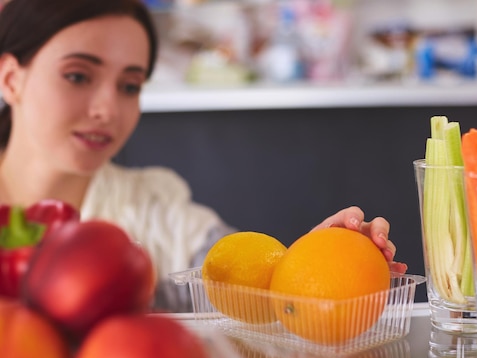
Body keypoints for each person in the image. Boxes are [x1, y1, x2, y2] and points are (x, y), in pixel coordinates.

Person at [0, 0, 407, 312]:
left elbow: (234, 283)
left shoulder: (157, 207)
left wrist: (303, 269)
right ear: (10, 79)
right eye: (77, 76)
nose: (107, 110)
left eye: (129, 85)